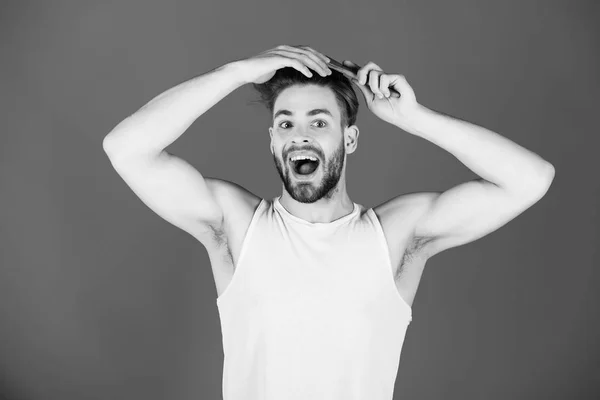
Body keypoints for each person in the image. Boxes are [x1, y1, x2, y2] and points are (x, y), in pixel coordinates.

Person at [102, 45, 555, 400]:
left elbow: (530, 180)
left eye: (319, 122)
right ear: (273, 141)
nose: (299, 134)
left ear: (349, 138)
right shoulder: (235, 226)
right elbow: (126, 148)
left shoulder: (396, 237)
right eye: (286, 123)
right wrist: (235, 72)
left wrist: (415, 118)